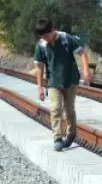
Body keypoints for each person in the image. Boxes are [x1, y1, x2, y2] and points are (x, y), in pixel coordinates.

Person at [34, 18, 91, 152]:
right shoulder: (41, 45)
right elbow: (39, 67)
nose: (45, 39)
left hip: (70, 80)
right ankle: (57, 138)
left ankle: (71, 134)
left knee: (69, 111)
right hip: (53, 82)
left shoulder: (66, 39)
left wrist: (86, 70)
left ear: (53, 30)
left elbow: (82, 53)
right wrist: (40, 87)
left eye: (47, 35)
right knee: (55, 108)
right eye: (42, 36)